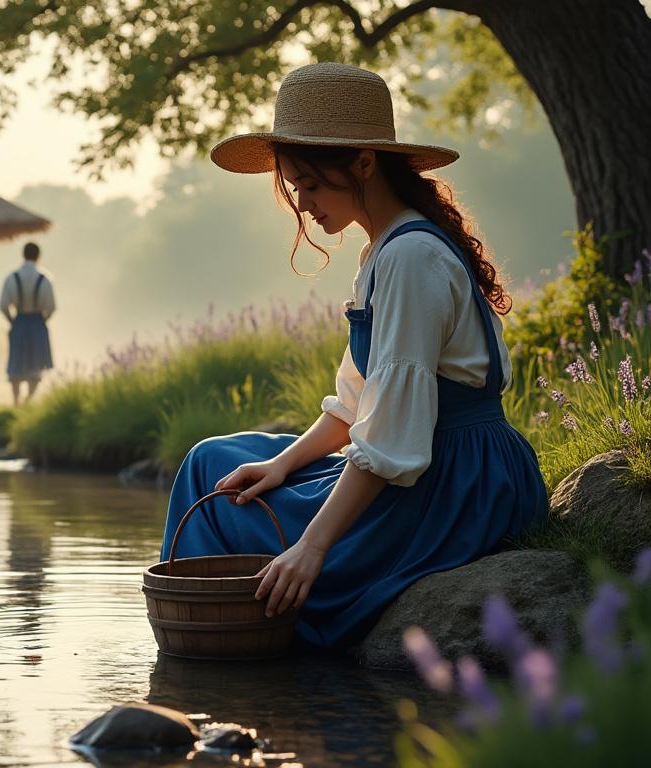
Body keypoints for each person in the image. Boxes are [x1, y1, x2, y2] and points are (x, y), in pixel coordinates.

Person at [159, 62, 547, 648]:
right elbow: (355, 404)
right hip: (424, 459)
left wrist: (312, 546)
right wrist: (283, 464)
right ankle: (227, 639)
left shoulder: (410, 260)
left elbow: (391, 436)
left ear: (364, 163)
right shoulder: (382, 252)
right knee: (212, 462)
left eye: (312, 183)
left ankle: (235, 646)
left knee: (216, 505)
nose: (305, 203)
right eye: (297, 188)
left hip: (452, 482)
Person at [0, 242, 56, 405]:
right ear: (38, 256)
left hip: (19, 321)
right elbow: (51, 307)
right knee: (36, 365)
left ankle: (16, 401)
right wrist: (44, 319)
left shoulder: (12, 277)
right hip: (37, 322)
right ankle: (28, 400)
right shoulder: (45, 279)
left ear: (23, 255)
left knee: (16, 363)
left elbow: (3, 305)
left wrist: (11, 320)